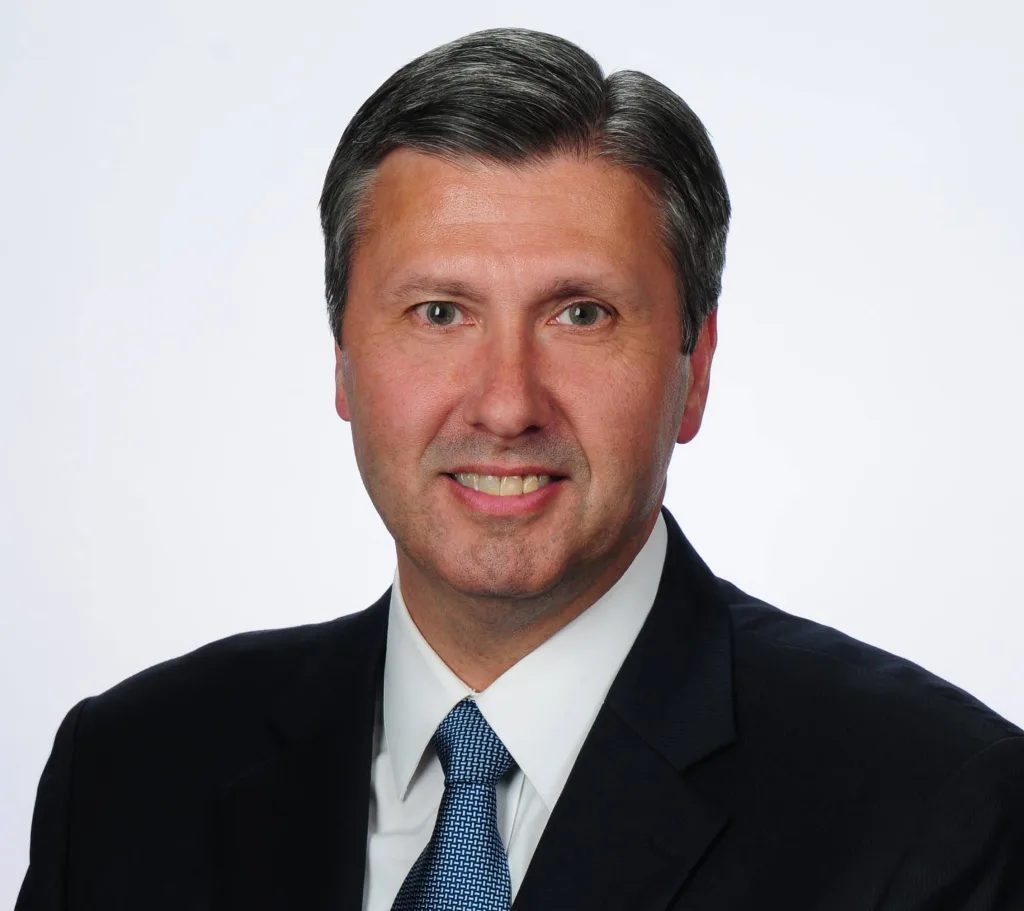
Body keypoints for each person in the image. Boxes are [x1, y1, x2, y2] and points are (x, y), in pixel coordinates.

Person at [16, 26, 1024, 911]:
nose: (505, 403)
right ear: (341, 359)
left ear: (695, 366)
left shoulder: (936, 803)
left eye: (580, 313)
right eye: (438, 312)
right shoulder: (130, 770)